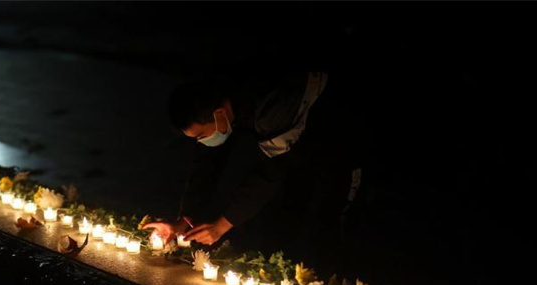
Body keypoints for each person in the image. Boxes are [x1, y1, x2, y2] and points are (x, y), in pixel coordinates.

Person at [144, 71, 372, 273]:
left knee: (326, 222)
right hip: (292, 147)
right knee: (277, 219)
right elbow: (207, 162)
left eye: (201, 135)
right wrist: (184, 219)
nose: (202, 142)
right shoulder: (221, 103)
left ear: (220, 113)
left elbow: (269, 174)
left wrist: (222, 225)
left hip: (337, 142)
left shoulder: (270, 107)